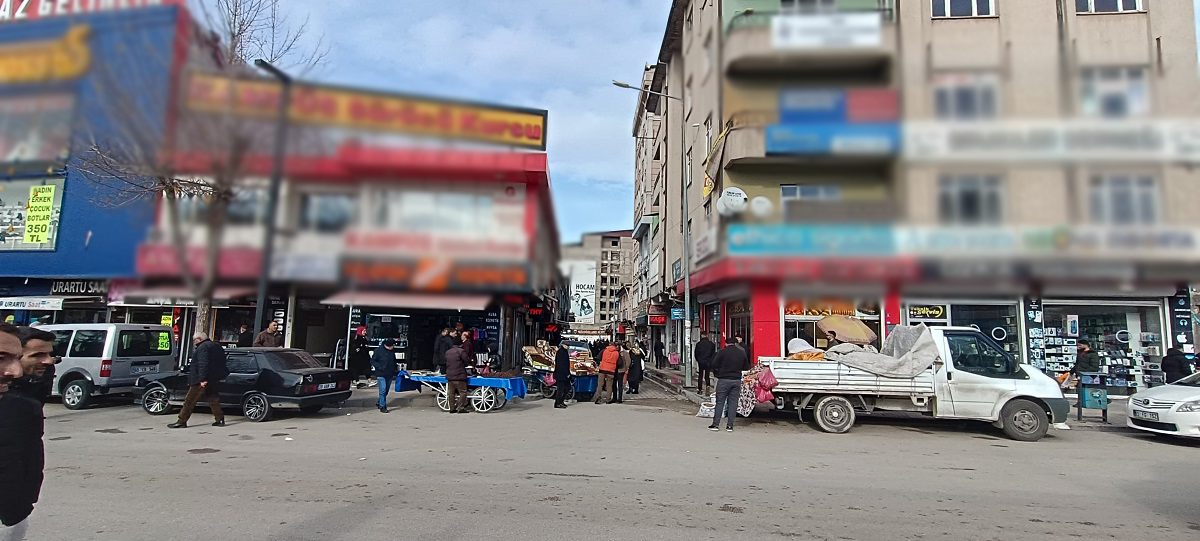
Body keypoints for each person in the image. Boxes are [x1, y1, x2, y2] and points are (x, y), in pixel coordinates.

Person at [0, 324, 41, 540]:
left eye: (17, 358)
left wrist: (20, 508)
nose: (15, 372)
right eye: (0, 358)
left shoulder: (22, 409)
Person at [169, 332, 228, 429]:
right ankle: (220, 419)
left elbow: (203, 364)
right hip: (213, 378)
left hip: (201, 379)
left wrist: (202, 379)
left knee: (190, 400)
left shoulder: (203, 348)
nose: (194, 342)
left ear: (199, 339)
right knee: (213, 398)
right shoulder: (217, 346)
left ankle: (182, 421)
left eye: (194, 340)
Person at [709, 335, 750, 433]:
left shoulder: (722, 352)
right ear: (736, 343)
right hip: (736, 380)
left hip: (723, 380)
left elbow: (714, 364)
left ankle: (715, 424)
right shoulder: (741, 353)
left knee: (720, 402)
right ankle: (730, 426)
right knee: (733, 403)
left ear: (726, 343)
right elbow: (746, 367)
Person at [444, 338, 471, 413]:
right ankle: (460, 408)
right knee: (463, 392)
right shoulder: (461, 351)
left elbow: (445, 362)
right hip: (459, 375)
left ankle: (452, 408)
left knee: (451, 393)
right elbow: (466, 362)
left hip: (450, 375)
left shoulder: (447, 352)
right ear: (460, 344)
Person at [371, 339, 399, 413]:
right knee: (383, 390)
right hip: (381, 373)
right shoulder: (378, 351)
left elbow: (394, 361)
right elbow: (373, 361)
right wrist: (380, 367)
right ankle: (382, 406)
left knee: (386, 390)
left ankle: (379, 402)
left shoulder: (392, 351)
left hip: (389, 373)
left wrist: (395, 368)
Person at [553, 341, 572, 409]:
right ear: (563, 345)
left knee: (567, 388)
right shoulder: (561, 352)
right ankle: (558, 403)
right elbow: (561, 365)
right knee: (560, 389)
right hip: (561, 374)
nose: (568, 347)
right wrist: (567, 373)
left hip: (564, 374)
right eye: (567, 345)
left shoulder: (564, 352)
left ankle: (561, 401)